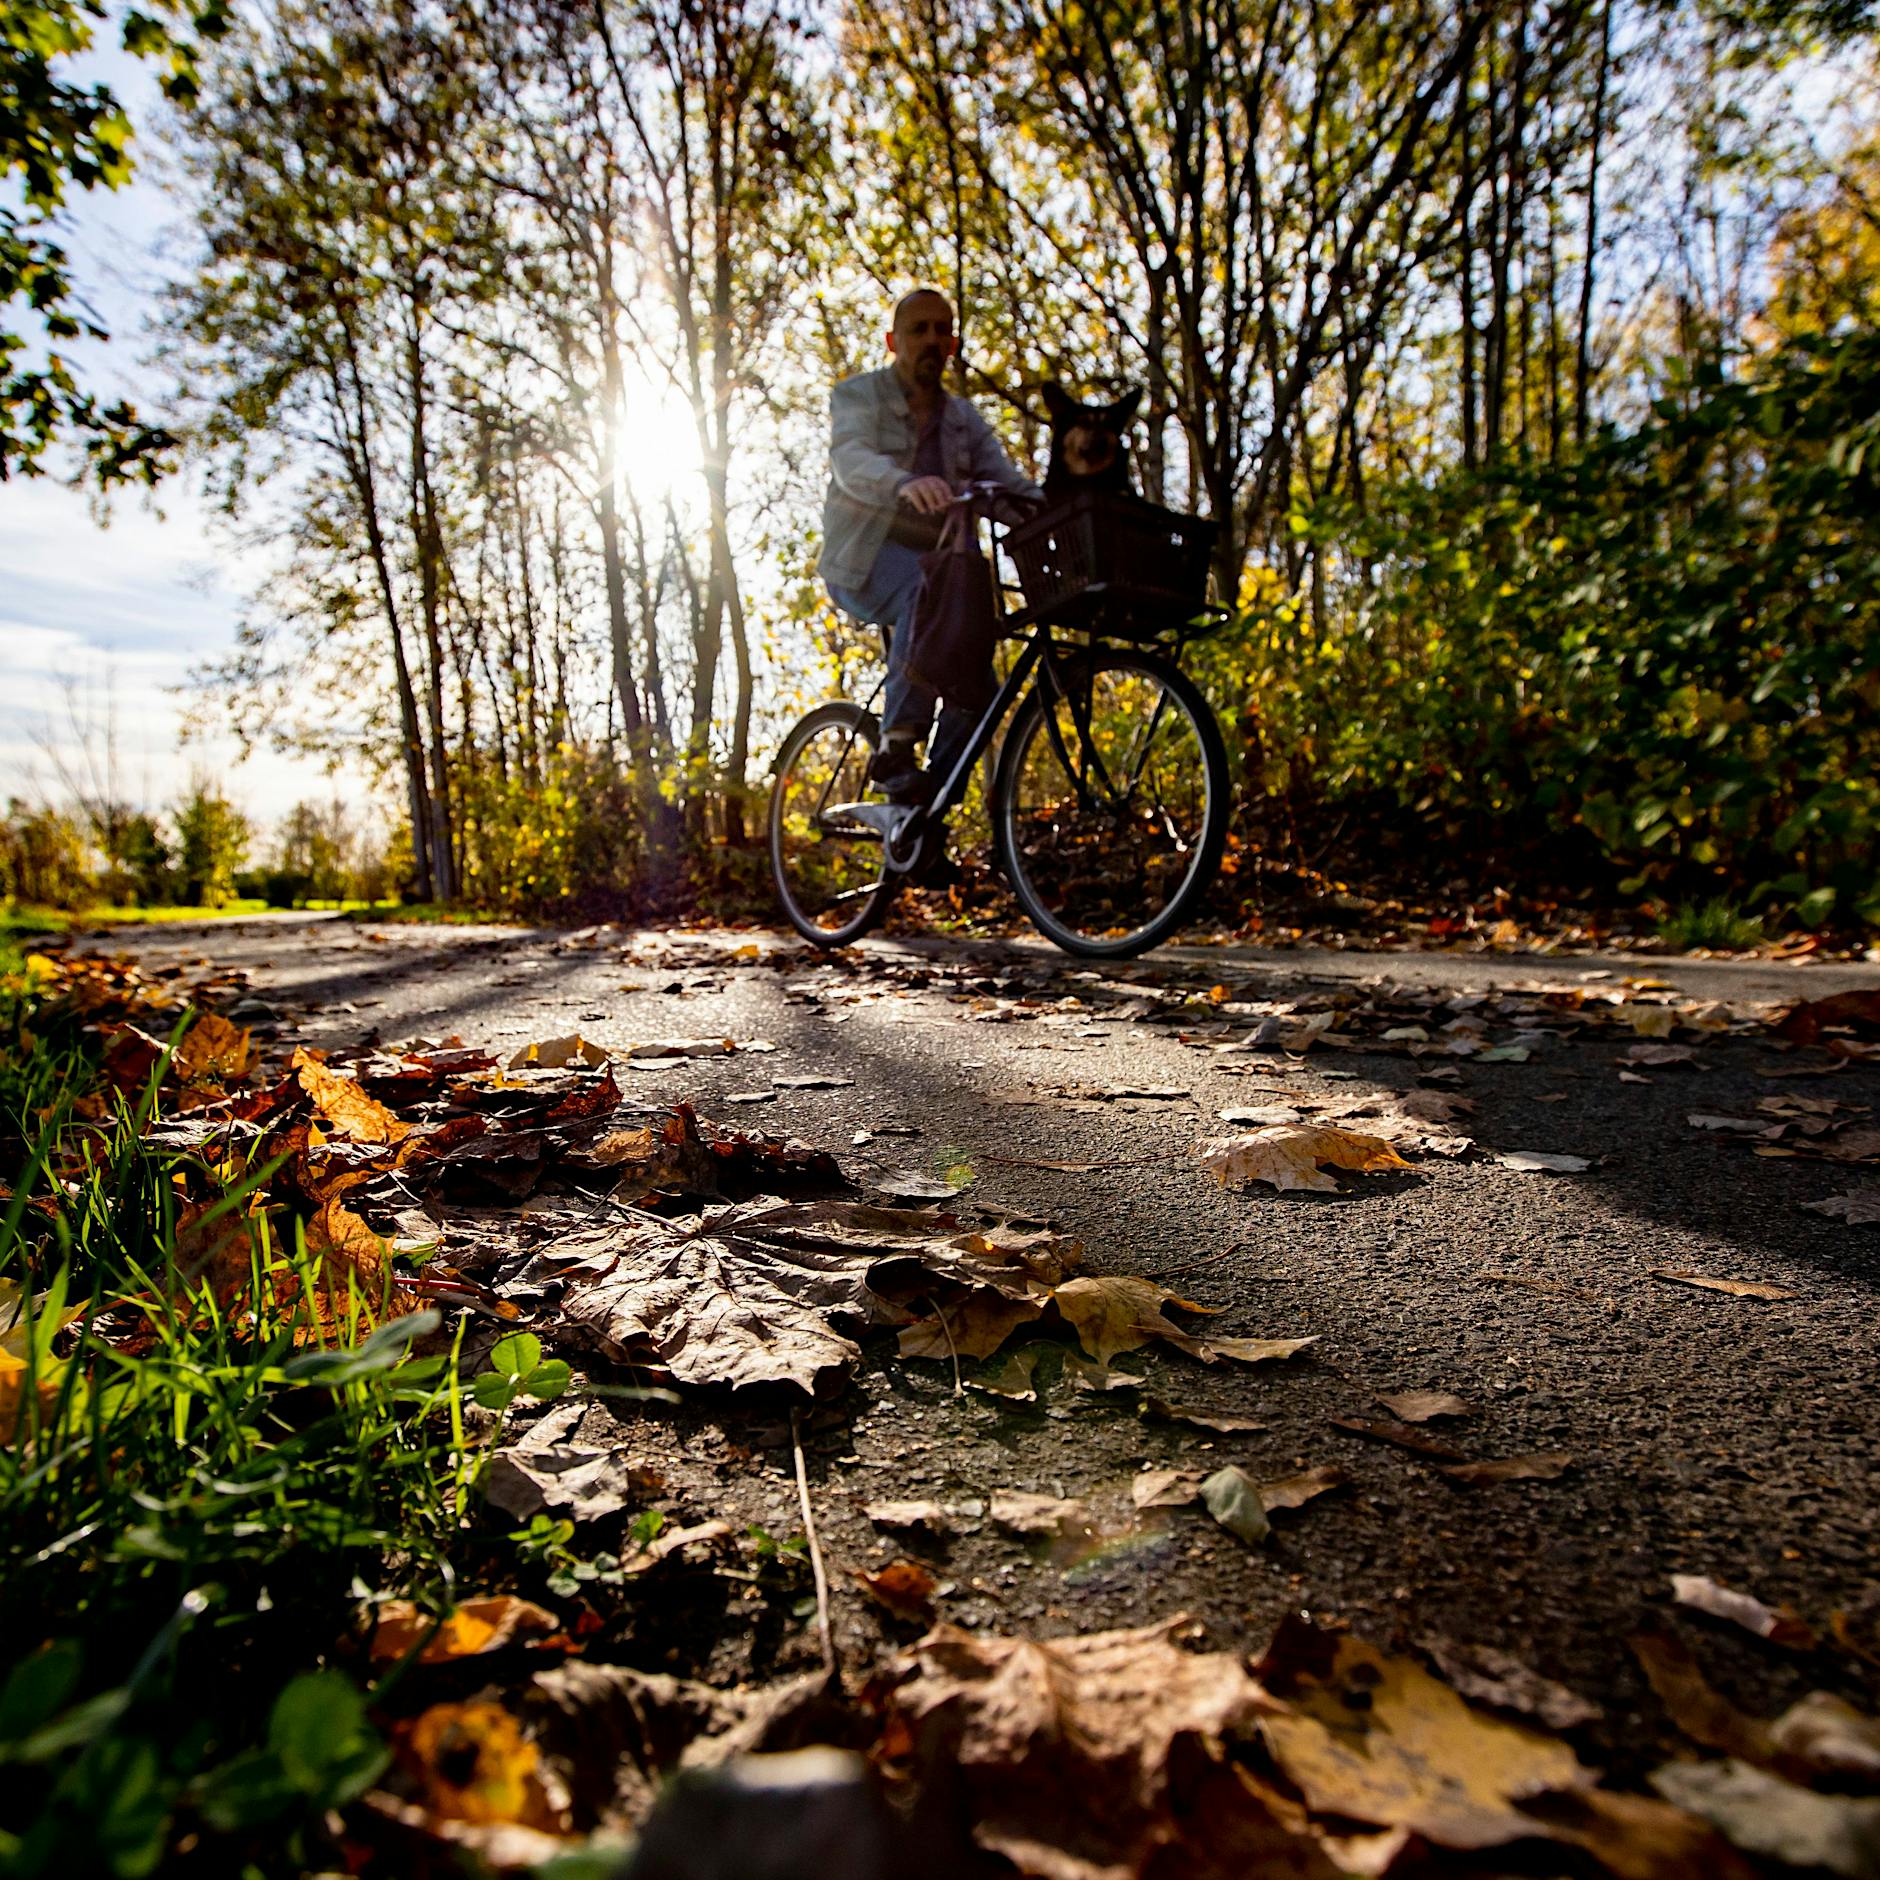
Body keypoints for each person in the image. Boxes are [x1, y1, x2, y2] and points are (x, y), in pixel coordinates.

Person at [820, 288, 1042, 805]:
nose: (931, 340)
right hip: (862, 563)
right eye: (918, 330)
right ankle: (895, 750)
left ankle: (923, 818)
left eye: (942, 331)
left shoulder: (962, 420)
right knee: (927, 586)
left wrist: (1055, 511)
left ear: (953, 344)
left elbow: (1006, 488)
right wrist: (900, 482)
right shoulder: (859, 396)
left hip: (945, 576)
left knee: (979, 687)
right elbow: (850, 459)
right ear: (893, 341)